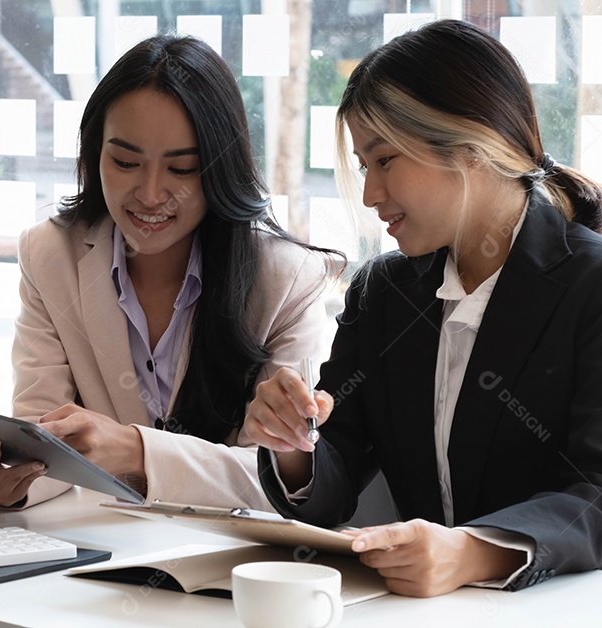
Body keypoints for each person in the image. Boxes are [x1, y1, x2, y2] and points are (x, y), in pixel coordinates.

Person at [243, 19, 602, 598]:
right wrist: (294, 446)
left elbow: (596, 493)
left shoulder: (589, 283)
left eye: (384, 161)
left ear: (471, 143)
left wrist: (473, 551)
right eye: (364, 166)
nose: (369, 194)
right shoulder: (385, 291)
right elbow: (337, 469)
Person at [0, 34, 342, 510]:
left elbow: (276, 480)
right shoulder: (50, 254)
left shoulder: (286, 279)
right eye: (126, 162)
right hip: (100, 554)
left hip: (227, 564)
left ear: (220, 169)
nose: (151, 194)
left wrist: (136, 450)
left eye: (182, 169)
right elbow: (44, 440)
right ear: (95, 156)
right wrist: (10, 480)